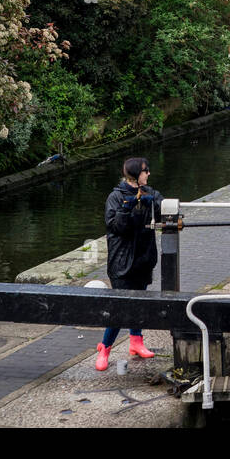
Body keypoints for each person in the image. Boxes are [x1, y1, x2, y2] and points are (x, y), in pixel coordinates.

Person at [96, 157, 162, 371]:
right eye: (146, 171)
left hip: (143, 259)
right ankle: (105, 348)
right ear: (135, 174)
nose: (149, 174)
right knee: (121, 308)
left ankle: (136, 341)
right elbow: (116, 227)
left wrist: (157, 203)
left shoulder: (149, 191)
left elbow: (164, 210)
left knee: (139, 302)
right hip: (122, 262)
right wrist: (127, 207)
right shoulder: (115, 197)